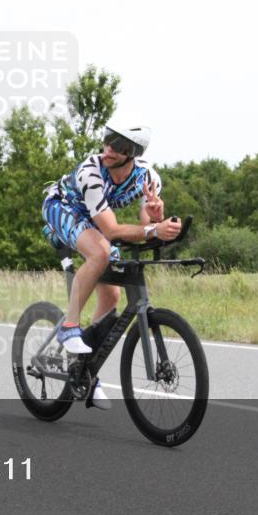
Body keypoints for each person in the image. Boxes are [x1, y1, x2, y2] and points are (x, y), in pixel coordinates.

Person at [41, 117, 182, 409]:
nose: (108, 148)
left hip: (95, 221)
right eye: (107, 139)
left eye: (117, 145)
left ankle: (86, 370)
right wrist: (154, 230)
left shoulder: (147, 178)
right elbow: (111, 231)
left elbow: (146, 224)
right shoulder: (92, 172)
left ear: (133, 152)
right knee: (101, 253)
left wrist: (155, 215)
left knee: (112, 292)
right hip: (62, 207)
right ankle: (69, 326)